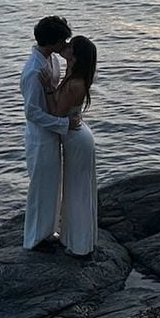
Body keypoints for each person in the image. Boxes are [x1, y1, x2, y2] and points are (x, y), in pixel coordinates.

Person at [20, 15, 78, 251]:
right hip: (40, 136)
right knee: (41, 185)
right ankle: (34, 238)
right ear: (51, 42)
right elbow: (32, 112)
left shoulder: (50, 60)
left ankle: (47, 231)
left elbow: (53, 91)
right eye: (62, 40)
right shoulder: (33, 70)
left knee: (53, 184)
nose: (65, 44)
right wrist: (63, 124)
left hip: (51, 131)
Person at [43, 35, 98, 258]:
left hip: (77, 139)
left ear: (76, 56)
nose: (65, 47)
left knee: (77, 190)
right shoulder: (72, 74)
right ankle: (72, 238)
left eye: (70, 47)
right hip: (75, 134)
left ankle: (80, 244)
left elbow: (56, 112)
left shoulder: (76, 83)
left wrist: (48, 88)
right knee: (75, 188)